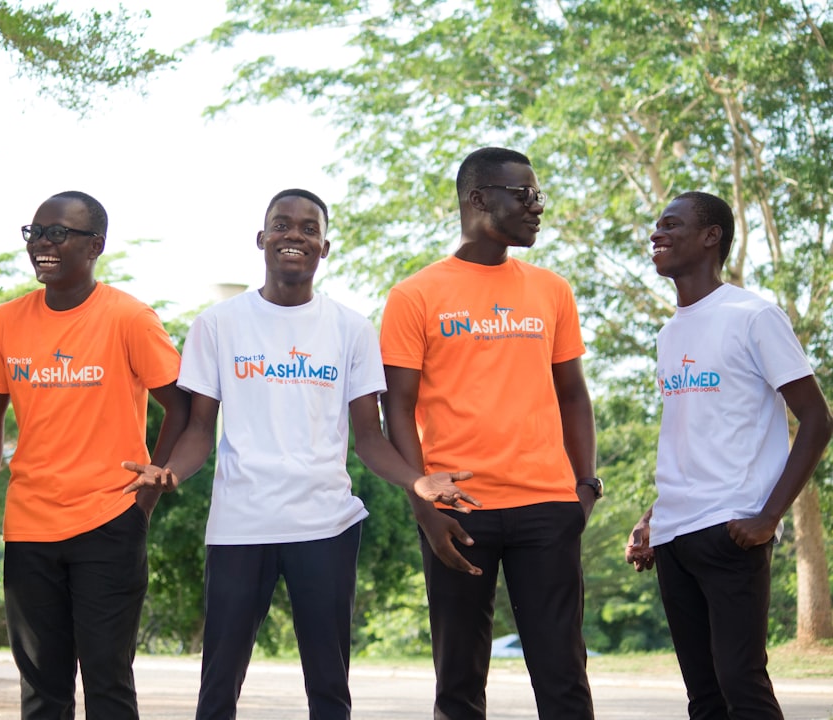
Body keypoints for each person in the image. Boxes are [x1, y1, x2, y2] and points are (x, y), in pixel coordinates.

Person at [121, 188, 478, 720]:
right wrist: (173, 472)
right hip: (241, 524)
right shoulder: (217, 324)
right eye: (282, 225)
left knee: (330, 688)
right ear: (261, 239)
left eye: (309, 229)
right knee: (218, 685)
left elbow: (371, 438)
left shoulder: (351, 328)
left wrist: (415, 481)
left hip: (325, 524)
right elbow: (199, 428)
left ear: (325, 247)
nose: (295, 235)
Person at [379, 147, 600, 720]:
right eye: (523, 195)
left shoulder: (552, 290)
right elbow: (397, 410)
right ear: (479, 199)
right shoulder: (414, 295)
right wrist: (424, 506)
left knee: (563, 679)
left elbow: (573, 395)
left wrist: (585, 488)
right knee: (458, 684)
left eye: (538, 196)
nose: (537, 207)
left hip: (549, 506)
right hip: (458, 511)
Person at [0, 190, 190, 719]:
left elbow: (180, 408)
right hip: (29, 527)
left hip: (109, 520)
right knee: (42, 689)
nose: (43, 243)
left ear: (95, 246)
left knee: (108, 682)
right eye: (36, 233)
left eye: (59, 233)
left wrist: (150, 490)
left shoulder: (129, 318)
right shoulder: (5, 322)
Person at [624, 191, 833, 719]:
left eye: (671, 225)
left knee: (742, 682)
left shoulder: (753, 315)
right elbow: (690, 437)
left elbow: (817, 419)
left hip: (732, 528)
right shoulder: (669, 334)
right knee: (705, 695)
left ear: (711, 235)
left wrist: (769, 517)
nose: (657, 234)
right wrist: (653, 518)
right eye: (656, 226)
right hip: (673, 536)